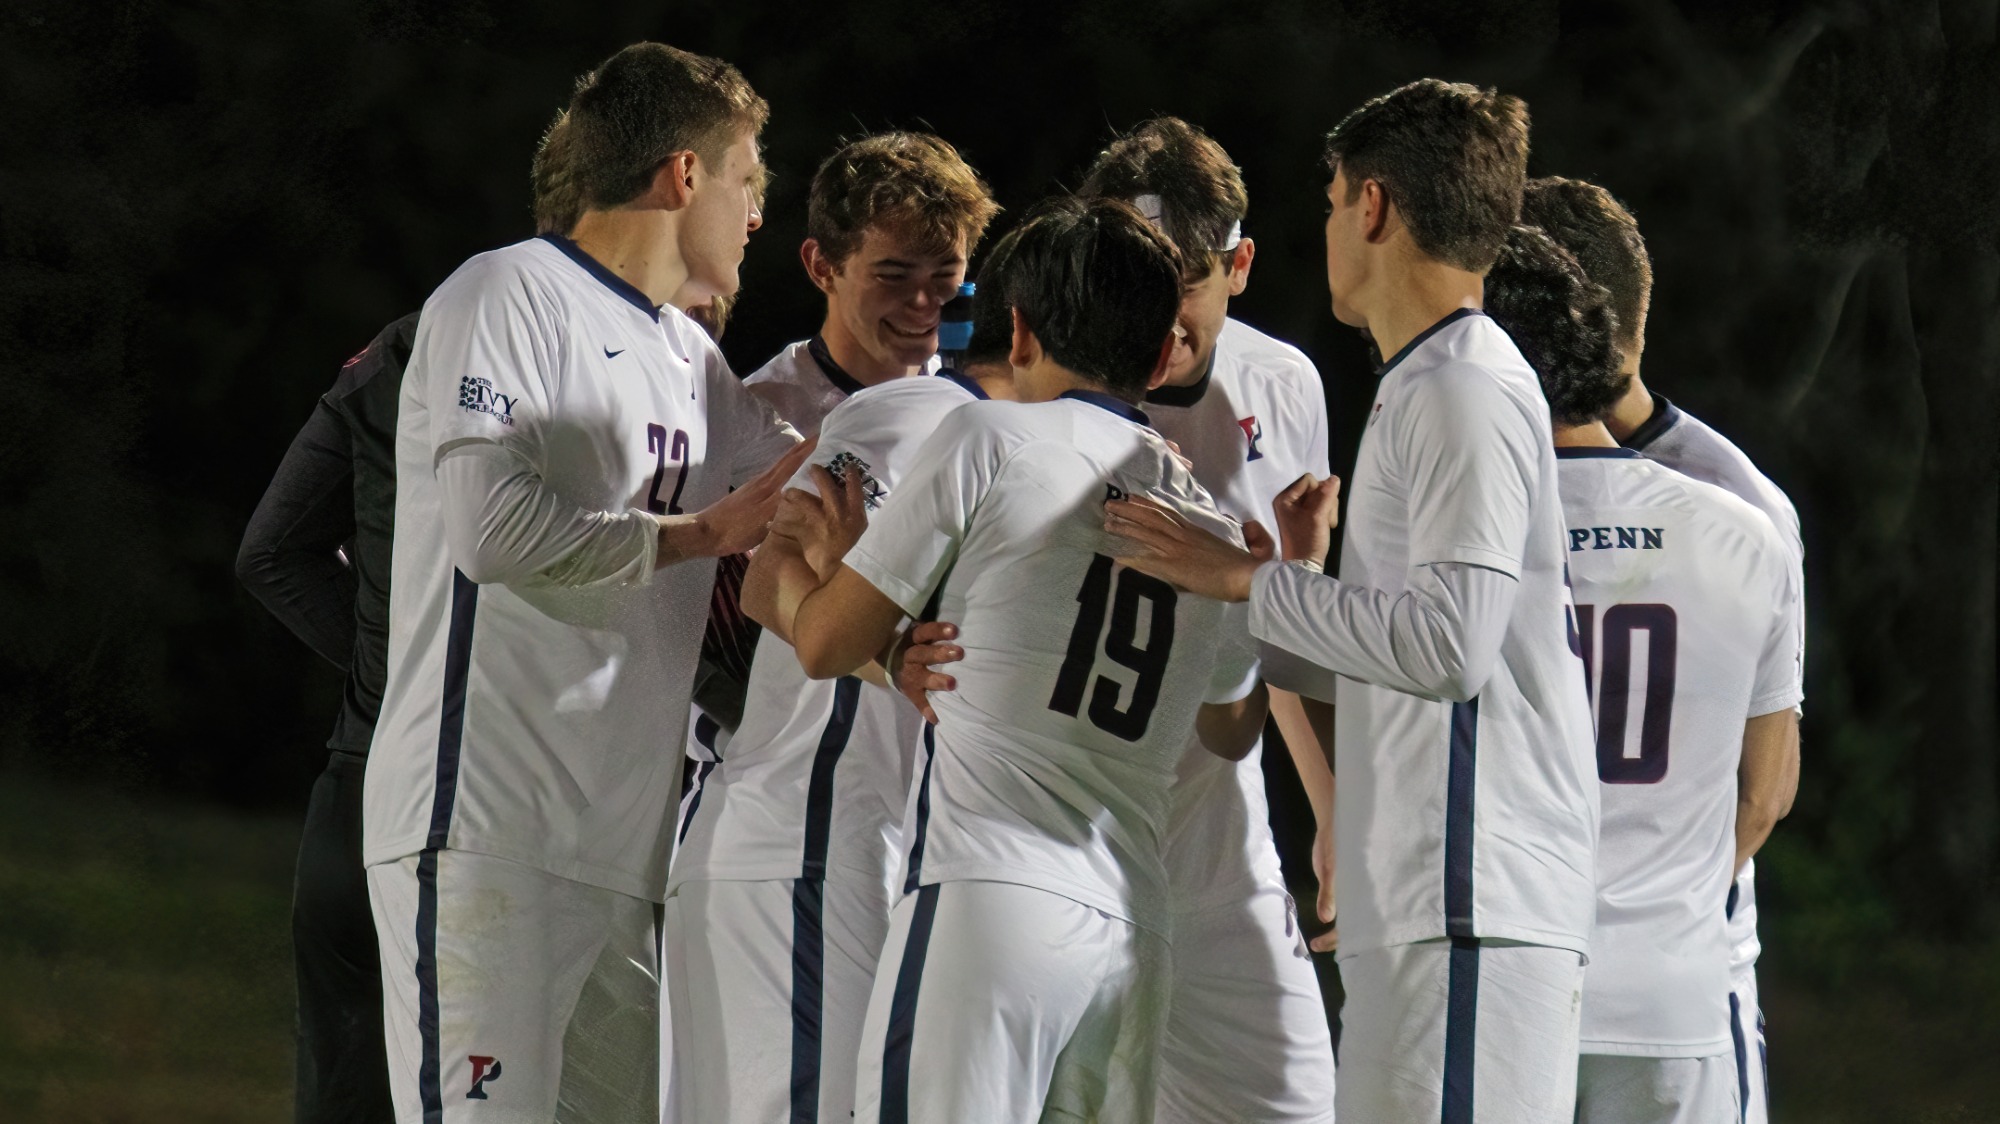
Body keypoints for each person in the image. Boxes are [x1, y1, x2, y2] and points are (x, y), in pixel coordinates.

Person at [1106, 79, 1599, 1123]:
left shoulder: (1458, 385)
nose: (1325, 224)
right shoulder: (1425, 380)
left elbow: (1450, 648)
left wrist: (1248, 578)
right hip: (1427, 894)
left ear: (1371, 207)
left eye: (1331, 200)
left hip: (1465, 893)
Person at [361, 42, 810, 1124]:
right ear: (684, 175)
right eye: (748, 180)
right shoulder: (503, 291)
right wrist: (697, 534)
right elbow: (490, 528)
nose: (755, 216)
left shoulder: (684, 356)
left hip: (622, 852)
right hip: (485, 836)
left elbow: (806, 483)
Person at [776, 197, 1267, 1123]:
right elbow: (1235, 726)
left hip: (991, 900)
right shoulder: (1210, 526)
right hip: (1133, 931)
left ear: (1019, 329)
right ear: (1163, 355)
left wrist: (839, 565)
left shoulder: (987, 436)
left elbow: (824, 643)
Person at [661, 229, 1020, 1124]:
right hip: (806, 844)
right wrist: (882, 643)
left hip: (862, 851)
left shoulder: (1049, 450)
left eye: (945, 280)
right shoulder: (904, 417)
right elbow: (768, 588)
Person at [1485, 224, 1803, 1122]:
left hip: (1506, 970)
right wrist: (1660, 900)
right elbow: (1764, 792)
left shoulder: (1459, 530)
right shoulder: (1744, 522)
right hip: (1678, 985)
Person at [1077, 116, 1337, 1124]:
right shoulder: (1025, 395)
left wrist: (1329, 808)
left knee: (1293, 1103)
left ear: (1239, 264)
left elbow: (1289, 624)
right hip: (1063, 830)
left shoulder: (1283, 382)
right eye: (1128, 270)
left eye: (1180, 275)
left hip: (1217, 831)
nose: (1153, 308)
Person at [238, 314, 414, 1124]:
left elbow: (271, 553)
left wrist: (397, 670)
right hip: (465, 811)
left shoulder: (399, 351)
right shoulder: (586, 355)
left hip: (352, 790)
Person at [742, 131, 1000, 437]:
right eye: (893, 276)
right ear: (821, 266)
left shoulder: (982, 400)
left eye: (945, 274)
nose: (923, 301)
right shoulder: (755, 416)